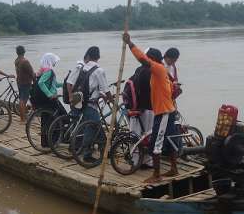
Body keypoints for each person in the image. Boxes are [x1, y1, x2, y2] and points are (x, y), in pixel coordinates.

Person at [123, 32, 178, 183]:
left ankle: (156, 175)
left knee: (156, 144)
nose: (146, 63)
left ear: (152, 59)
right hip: (168, 110)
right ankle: (174, 168)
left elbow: (142, 58)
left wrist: (130, 44)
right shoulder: (161, 71)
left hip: (164, 112)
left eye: (149, 59)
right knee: (169, 140)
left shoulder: (158, 68)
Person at [68, 46, 110, 162]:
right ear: (98, 57)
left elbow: (74, 83)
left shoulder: (83, 67)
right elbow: (106, 89)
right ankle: (87, 154)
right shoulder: (99, 70)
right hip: (90, 104)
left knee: (89, 124)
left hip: (79, 101)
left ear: (88, 56)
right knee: (92, 126)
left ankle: (105, 150)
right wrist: (112, 100)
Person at [35, 53, 65, 146]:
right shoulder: (49, 71)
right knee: (62, 116)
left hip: (44, 100)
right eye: (54, 61)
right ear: (50, 61)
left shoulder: (42, 70)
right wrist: (49, 94)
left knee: (46, 120)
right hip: (51, 99)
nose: (55, 62)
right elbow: (41, 83)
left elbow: (54, 84)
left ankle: (45, 142)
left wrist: (64, 84)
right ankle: (54, 141)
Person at [128, 55, 154, 168]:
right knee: (148, 135)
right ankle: (146, 161)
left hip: (135, 108)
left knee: (135, 135)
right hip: (147, 108)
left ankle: (135, 160)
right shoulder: (150, 72)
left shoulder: (138, 70)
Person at [14, 45, 34, 122]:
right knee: (23, 100)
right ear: (24, 52)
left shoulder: (17, 60)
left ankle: (23, 116)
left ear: (17, 52)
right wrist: (35, 78)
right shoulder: (25, 61)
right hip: (26, 83)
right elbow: (31, 73)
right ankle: (22, 119)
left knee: (21, 99)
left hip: (19, 82)